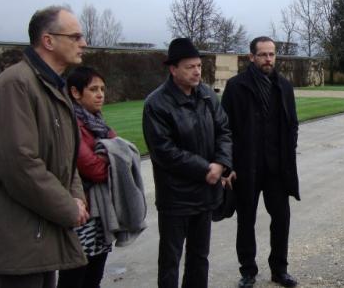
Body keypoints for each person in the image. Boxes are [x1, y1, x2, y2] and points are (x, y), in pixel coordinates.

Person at [0, 6, 90, 288]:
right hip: (18, 242)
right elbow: (19, 164)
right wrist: (68, 207)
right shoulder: (15, 86)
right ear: (48, 40)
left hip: (41, 235)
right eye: (75, 36)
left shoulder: (51, 86)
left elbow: (67, 155)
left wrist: (76, 196)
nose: (83, 43)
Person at [143, 38, 233, 288]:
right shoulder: (157, 104)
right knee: (170, 261)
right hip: (176, 198)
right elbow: (164, 151)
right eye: (190, 67)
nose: (196, 71)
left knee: (199, 258)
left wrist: (221, 162)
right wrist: (207, 168)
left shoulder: (206, 95)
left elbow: (224, 130)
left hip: (205, 195)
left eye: (199, 66)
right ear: (173, 69)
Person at [221, 36, 300, 288]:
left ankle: (279, 269)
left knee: (281, 218)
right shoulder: (236, 87)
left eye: (272, 54)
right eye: (263, 54)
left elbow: (292, 125)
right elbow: (225, 129)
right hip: (247, 167)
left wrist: (289, 151)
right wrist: (228, 165)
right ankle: (248, 271)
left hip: (277, 167)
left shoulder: (283, 86)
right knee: (246, 220)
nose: (268, 59)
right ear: (251, 57)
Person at [58, 66, 146, 288]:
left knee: (94, 275)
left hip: (100, 212)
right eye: (93, 89)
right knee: (75, 275)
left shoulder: (97, 122)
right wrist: (113, 158)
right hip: (82, 209)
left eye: (102, 89)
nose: (100, 95)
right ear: (75, 93)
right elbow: (94, 168)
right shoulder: (71, 124)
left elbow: (120, 155)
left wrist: (112, 156)